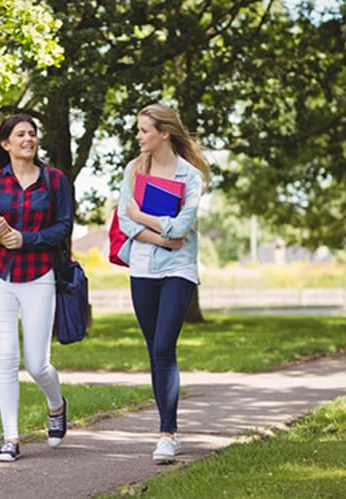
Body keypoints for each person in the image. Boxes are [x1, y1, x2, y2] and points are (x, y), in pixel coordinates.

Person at [0, 113, 73, 462]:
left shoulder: (54, 180)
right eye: (20, 134)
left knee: (37, 365)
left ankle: (56, 405)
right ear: (6, 144)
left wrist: (25, 239)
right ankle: (10, 439)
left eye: (32, 133)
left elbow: (63, 227)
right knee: (6, 357)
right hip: (0, 275)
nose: (28, 139)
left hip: (39, 274)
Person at [115, 103, 210, 464]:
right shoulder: (134, 171)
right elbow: (125, 222)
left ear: (164, 133)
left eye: (144, 130)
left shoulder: (190, 177)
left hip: (178, 271)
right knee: (154, 349)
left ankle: (166, 434)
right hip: (142, 268)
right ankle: (170, 429)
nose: (138, 136)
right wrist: (163, 237)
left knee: (163, 347)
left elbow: (182, 227)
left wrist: (144, 217)